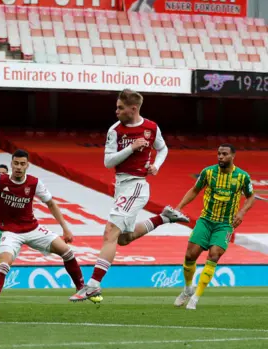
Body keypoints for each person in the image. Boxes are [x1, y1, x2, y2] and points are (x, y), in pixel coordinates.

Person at [70, 89, 188, 303]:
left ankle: (93, 285)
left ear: (133, 109)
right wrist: (131, 148)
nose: (116, 111)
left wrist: (156, 166)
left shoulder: (151, 128)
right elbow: (108, 162)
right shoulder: (115, 130)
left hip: (136, 185)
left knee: (110, 232)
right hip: (121, 186)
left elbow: (163, 149)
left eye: (120, 107)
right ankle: (164, 218)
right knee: (124, 238)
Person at [0, 149, 85, 320]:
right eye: (16, 163)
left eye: (22, 164)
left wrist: (65, 228)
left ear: (27, 165)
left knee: (66, 251)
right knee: (3, 265)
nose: (19, 167)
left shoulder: (34, 183)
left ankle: (82, 289)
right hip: (10, 233)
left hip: (32, 229)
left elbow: (51, 203)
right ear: (11, 164)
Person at [173, 144, 255, 310]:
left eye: (224, 154)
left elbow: (251, 196)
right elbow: (195, 190)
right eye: (218, 154)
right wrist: (179, 207)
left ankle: (196, 298)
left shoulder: (242, 177)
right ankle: (188, 288)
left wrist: (241, 213)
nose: (220, 157)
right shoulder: (208, 172)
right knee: (190, 255)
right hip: (205, 220)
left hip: (225, 224)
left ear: (233, 156)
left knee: (214, 255)